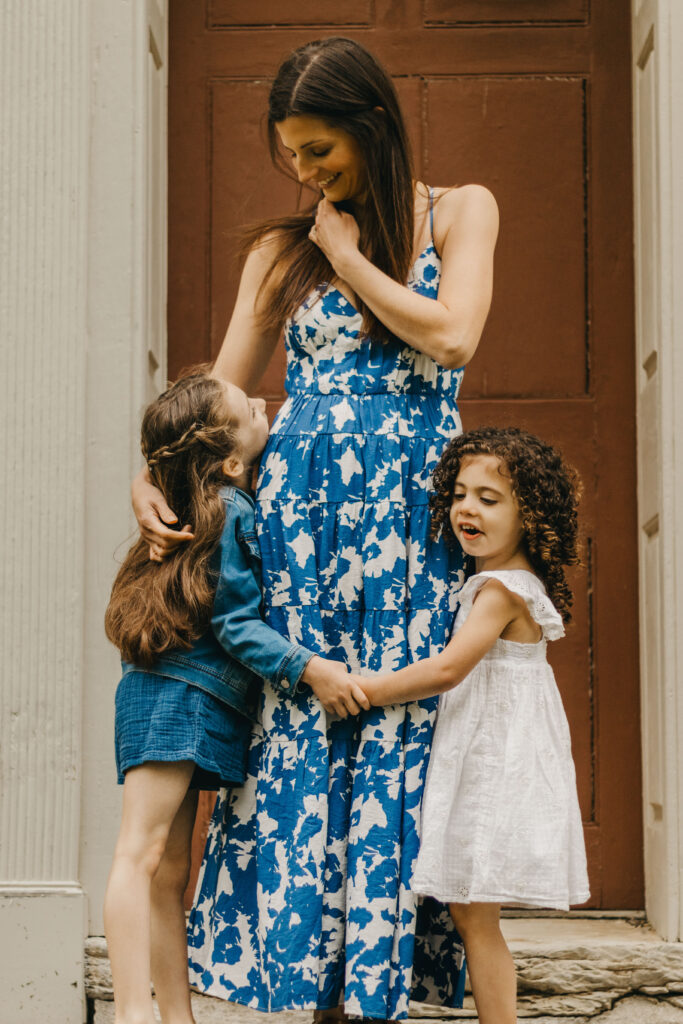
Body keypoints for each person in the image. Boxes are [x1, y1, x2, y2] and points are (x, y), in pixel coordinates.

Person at [132, 36, 498, 1021]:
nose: (305, 175)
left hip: (410, 533)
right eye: (290, 155)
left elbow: (453, 332)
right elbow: (217, 394)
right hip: (298, 534)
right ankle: (311, 996)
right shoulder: (275, 252)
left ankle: (373, 994)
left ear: (373, 129)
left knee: (390, 731)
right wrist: (149, 475)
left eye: (322, 153)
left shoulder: (460, 211)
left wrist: (346, 259)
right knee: (302, 731)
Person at [104, 367, 365, 1024]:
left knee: (166, 869)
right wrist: (308, 668)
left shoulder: (202, 503)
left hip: (176, 693)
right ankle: (135, 1012)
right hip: (181, 696)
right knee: (140, 853)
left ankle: (175, 1016)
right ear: (223, 457)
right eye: (245, 408)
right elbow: (234, 623)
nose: (258, 399)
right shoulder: (230, 511)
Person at [351, 426, 590, 1024]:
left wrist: (363, 690)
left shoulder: (503, 589)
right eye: (459, 493)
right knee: (472, 915)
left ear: (529, 514)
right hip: (490, 758)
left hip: (491, 770)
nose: (467, 508)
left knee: (476, 919)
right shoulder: (504, 584)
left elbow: (450, 668)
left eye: (489, 498)